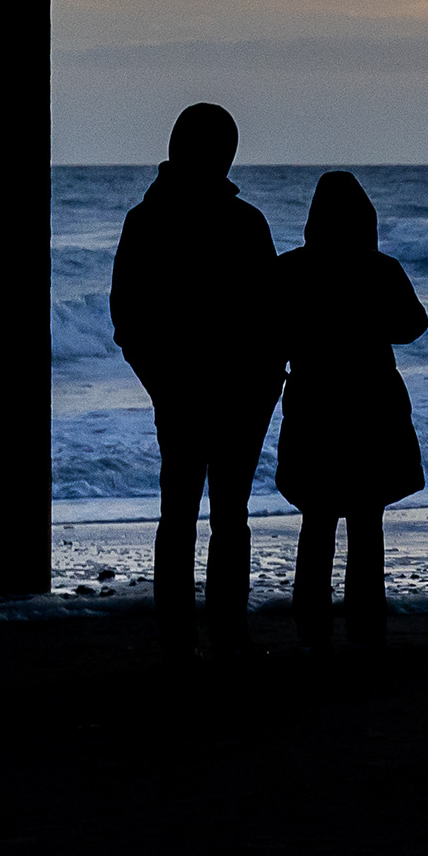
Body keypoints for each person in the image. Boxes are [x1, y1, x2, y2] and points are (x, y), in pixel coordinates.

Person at [110, 104, 285, 664]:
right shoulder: (245, 222)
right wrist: (266, 383)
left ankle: (179, 636)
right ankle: (226, 634)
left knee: (180, 514)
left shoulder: (147, 221)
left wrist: (160, 380)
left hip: (185, 390)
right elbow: (271, 316)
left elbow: (126, 318)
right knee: (228, 516)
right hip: (236, 393)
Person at [272, 171, 428, 653]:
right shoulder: (380, 268)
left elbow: (268, 335)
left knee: (316, 523)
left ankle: (312, 631)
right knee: (367, 524)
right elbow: (412, 325)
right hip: (371, 407)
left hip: (313, 405)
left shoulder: (289, 269)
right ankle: (367, 631)